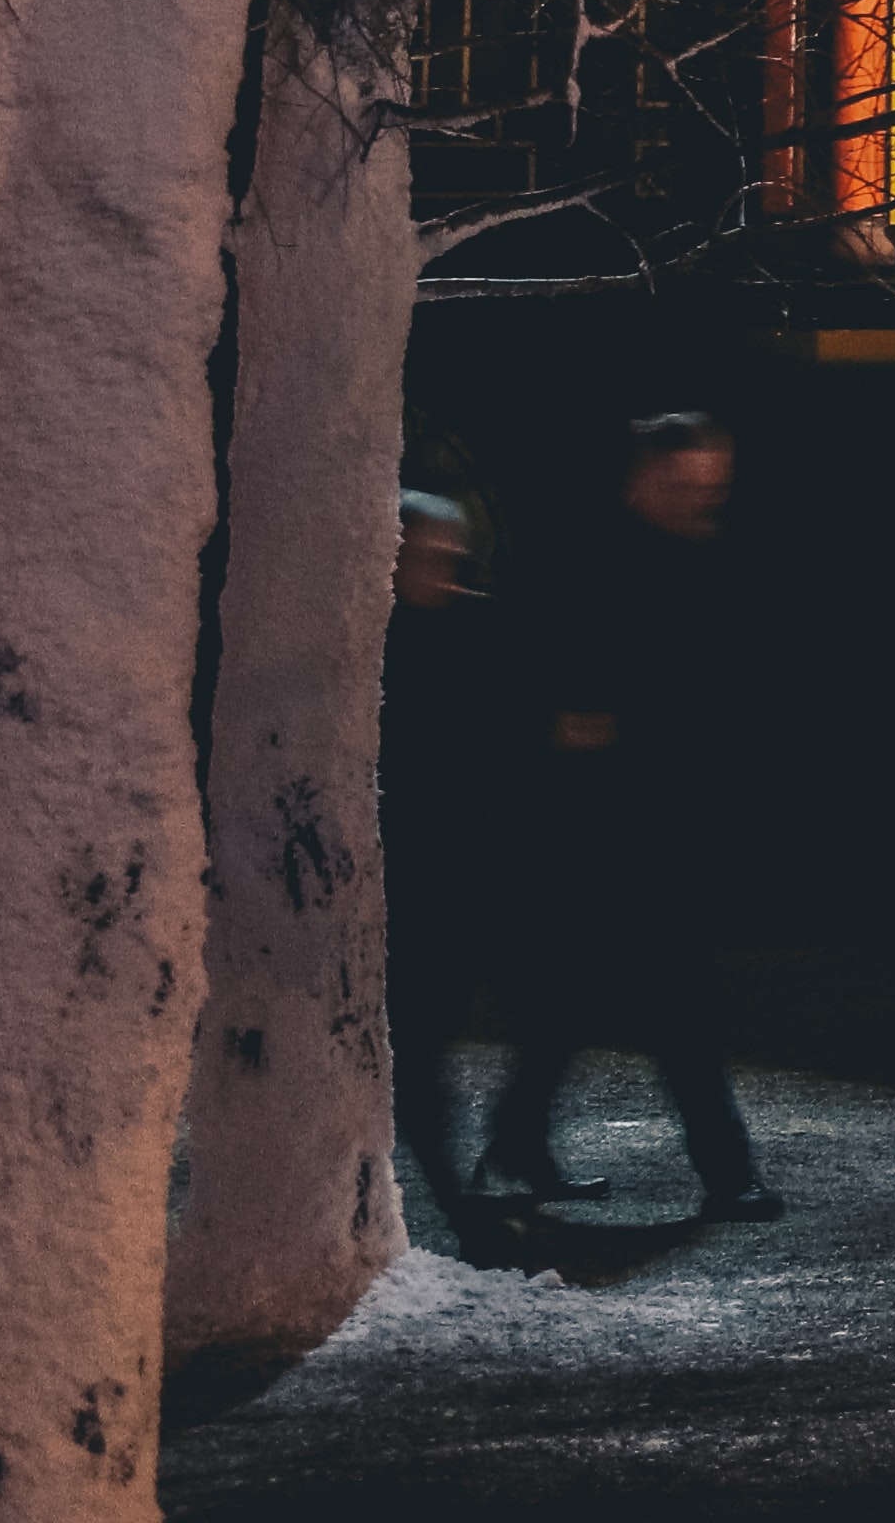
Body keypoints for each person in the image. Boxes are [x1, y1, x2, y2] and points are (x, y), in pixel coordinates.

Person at [482, 412, 776, 1223]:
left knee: (578, 997)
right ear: (643, 480)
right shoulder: (599, 567)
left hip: (630, 819)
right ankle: (726, 1170)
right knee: (677, 1002)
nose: (705, 499)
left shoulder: (669, 558)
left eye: (713, 485)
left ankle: (519, 1135)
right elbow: (578, 713)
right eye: (690, 485)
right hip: (612, 826)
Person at [385, 476, 524, 1257]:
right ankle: (458, 1201)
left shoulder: (455, 637)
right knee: (421, 1051)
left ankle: (469, 1184)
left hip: (451, 873)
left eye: (452, 556)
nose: (447, 569)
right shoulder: (391, 648)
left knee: (431, 1043)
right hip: (412, 879)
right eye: (430, 555)